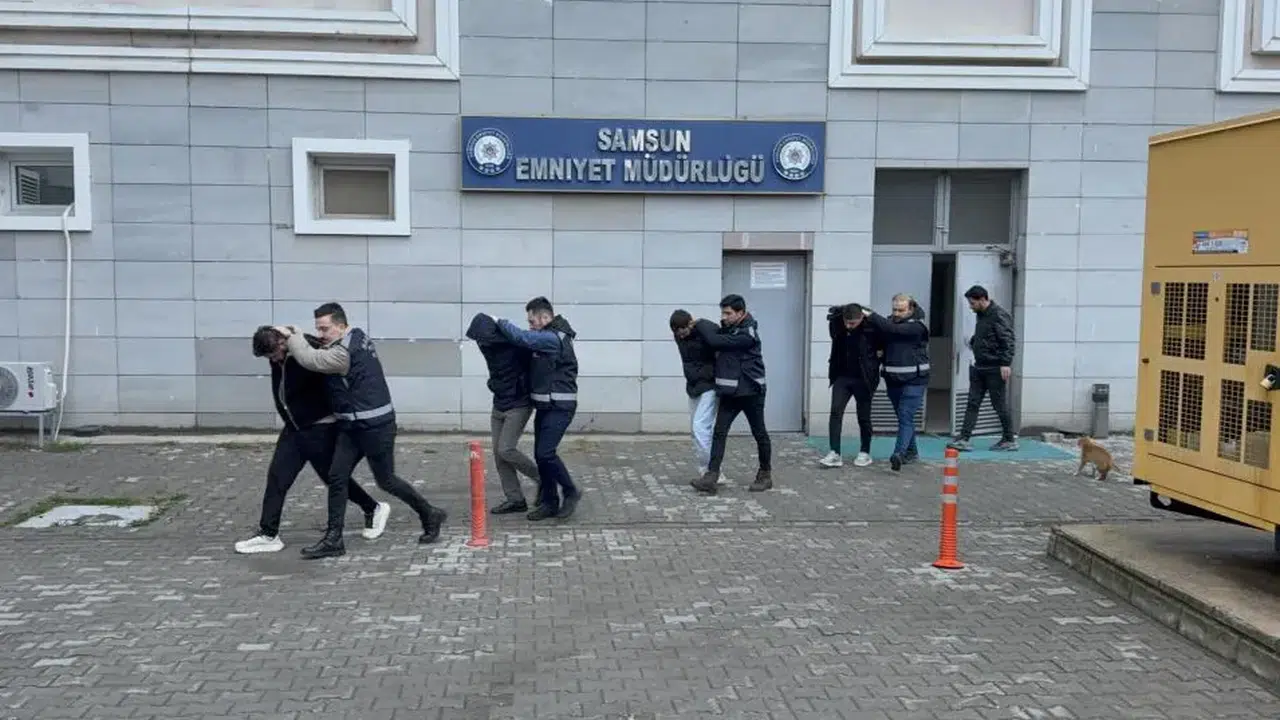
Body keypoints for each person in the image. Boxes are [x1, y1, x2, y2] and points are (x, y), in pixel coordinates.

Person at [277, 302, 447, 560]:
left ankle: (429, 513)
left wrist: (293, 337)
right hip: (352, 427)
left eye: (325, 329)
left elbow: (311, 360)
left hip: (375, 428)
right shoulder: (355, 337)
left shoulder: (343, 353)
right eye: (318, 329)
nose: (321, 334)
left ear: (341, 325)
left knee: (386, 480)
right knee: (337, 477)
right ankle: (334, 539)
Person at [234, 326, 390, 554]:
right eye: (269, 358)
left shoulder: (308, 349)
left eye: (274, 355)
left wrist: (336, 418)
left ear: (282, 343)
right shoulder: (278, 354)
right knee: (277, 477)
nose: (273, 360)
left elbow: (332, 376)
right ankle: (268, 534)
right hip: (295, 428)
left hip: (321, 426)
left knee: (333, 478)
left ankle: (373, 508)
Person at [492, 297, 582, 521]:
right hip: (545, 405)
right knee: (541, 456)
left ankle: (570, 491)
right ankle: (549, 503)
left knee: (545, 453)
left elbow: (523, 337)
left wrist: (499, 321)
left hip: (560, 407)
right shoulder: (546, 336)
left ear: (545, 317)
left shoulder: (553, 338)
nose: (530, 326)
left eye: (532, 321)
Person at [691, 294, 772, 495]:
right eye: (723, 313)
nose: (724, 317)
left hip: (751, 392)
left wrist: (700, 323)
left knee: (759, 433)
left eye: (728, 313)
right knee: (719, 433)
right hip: (730, 392)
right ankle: (711, 476)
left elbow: (714, 340)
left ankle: (765, 474)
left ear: (741, 313)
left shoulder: (747, 334)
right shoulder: (729, 329)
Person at [465, 311, 541, 514]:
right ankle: (515, 500)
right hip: (499, 403)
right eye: (478, 339)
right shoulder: (486, 346)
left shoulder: (516, 343)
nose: (480, 343)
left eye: (483, 339)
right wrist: (493, 384)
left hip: (519, 404)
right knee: (500, 457)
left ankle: (543, 479)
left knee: (506, 449)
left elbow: (536, 363)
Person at [862, 294, 929, 472]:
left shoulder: (917, 326)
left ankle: (898, 454)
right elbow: (878, 338)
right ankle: (912, 452)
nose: (897, 313)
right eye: (894, 310)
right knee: (904, 417)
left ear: (911, 309)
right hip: (893, 379)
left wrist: (871, 315)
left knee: (905, 415)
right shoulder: (888, 323)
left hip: (915, 380)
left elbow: (893, 330)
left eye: (901, 310)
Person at [948, 285, 1019, 452]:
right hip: (980, 366)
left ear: (982, 300)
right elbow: (986, 335)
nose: (970, 307)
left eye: (972, 303)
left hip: (994, 367)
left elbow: (1008, 340)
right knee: (972, 402)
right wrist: (975, 342)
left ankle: (1009, 439)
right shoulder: (981, 315)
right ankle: (964, 438)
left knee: (999, 404)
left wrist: (1005, 363)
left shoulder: (998, 315)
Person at [818, 303, 883, 469]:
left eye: (852, 323)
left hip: (864, 378)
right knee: (835, 412)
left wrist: (875, 365)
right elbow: (834, 330)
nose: (848, 326)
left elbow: (885, 336)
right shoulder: (838, 324)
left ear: (862, 317)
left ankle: (865, 451)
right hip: (842, 376)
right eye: (846, 322)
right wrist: (837, 316)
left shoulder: (871, 327)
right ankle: (834, 452)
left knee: (863, 416)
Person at [669, 308, 729, 483]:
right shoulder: (680, 337)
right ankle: (706, 470)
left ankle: (712, 470)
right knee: (696, 431)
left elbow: (718, 340)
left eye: (683, 330)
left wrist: (701, 324)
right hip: (694, 386)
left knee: (700, 427)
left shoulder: (704, 330)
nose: (681, 335)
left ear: (690, 323)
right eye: (677, 332)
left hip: (710, 385)